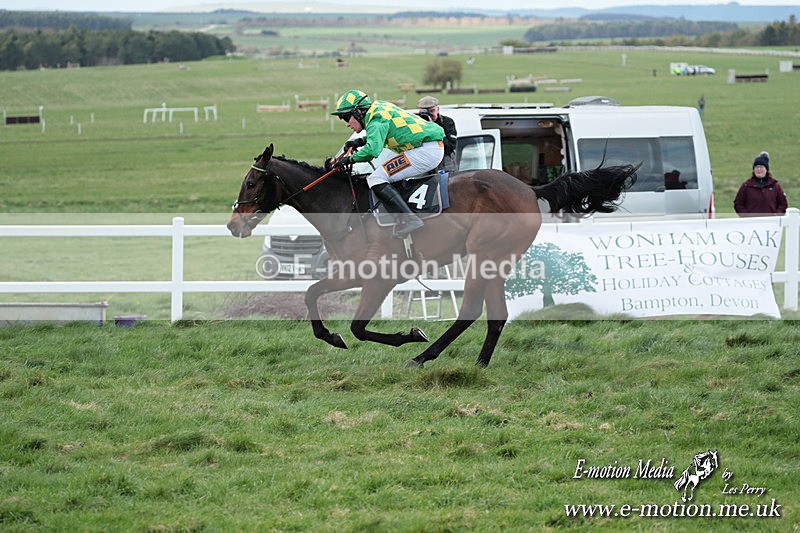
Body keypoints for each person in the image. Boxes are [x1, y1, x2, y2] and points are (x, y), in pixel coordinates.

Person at [330, 89, 445, 238]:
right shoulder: (378, 109)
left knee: (375, 178)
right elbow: (383, 133)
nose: (347, 124)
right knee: (382, 174)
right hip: (429, 147)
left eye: (346, 117)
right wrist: (360, 141)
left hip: (426, 151)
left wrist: (350, 159)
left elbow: (372, 151)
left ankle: (410, 219)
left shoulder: (375, 118)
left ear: (358, 111)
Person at [733, 151, 788, 217]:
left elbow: (783, 204)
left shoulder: (775, 185)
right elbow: (738, 204)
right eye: (756, 167)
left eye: (761, 167)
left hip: (771, 223)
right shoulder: (746, 186)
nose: (759, 169)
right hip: (751, 224)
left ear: (766, 169)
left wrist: (776, 216)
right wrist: (746, 217)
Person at [417, 95, 458, 173]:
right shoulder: (416, 124)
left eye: (432, 111)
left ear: (438, 109)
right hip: (425, 166)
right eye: (425, 112)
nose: (429, 115)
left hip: (444, 165)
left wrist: (433, 127)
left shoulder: (447, 122)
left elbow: (449, 148)